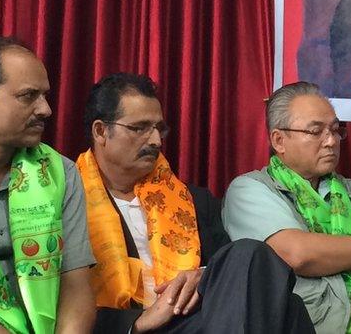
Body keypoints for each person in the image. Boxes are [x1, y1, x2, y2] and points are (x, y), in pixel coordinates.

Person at [78, 73, 312, 333]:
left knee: (250, 254)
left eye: (159, 129)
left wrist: (202, 276)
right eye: (140, 128)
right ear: (100, 131)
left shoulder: (195, 201)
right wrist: (138, 321)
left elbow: (232, 278)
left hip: (198, 321)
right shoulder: (68, 200)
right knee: (288, 309)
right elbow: (56, 298)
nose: (156, 140)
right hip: (129, 328)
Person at [222, 81, 351, 333]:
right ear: (279, 140)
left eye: (335, 130)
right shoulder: (250, 189)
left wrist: (323, 255)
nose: (331, 141)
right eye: (316, 131)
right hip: (311, 324)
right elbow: (298, 255)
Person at [0, 37, 96, 333]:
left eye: (45, 96)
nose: (45, 110)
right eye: (28, 96)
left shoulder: (60, 173)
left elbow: (76, 287)